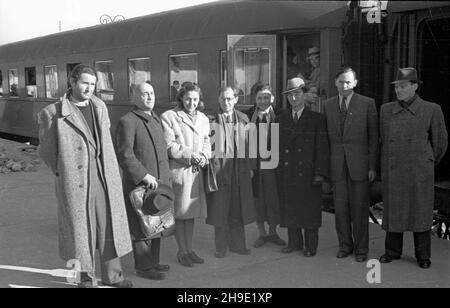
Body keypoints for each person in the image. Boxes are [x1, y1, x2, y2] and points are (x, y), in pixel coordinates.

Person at [37, 64, 133, 288]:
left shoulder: (99, 106)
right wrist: (65, 173)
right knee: (80, 233)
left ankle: (114, 276)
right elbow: (48, 152)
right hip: (76, 183)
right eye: (84, 83)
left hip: (103, 178)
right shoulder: (53, 113)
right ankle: (84, 280)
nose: (89, 88)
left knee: (108, 225)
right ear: (71, 82)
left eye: (92, 84)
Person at [379, 67, 448, 269]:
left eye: (402, 86)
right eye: (396, 87)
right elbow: (383, 140)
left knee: (420, 212)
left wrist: (425, 161)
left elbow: (441, 143)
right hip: (394, 169)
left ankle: (423, 255)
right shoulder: (386, 110)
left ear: (415, 87)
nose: (398, 90)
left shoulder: (431, 109)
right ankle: (392, 251)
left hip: (419, 172)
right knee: (394, 211)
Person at [115, 82, 172, 280]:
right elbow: (125, 155)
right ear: (134, 97)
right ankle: (144, 267)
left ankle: (153, 262)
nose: (150, 97)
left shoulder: (154, 117)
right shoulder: (128, 121)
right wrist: (143, 175)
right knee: (141, 226)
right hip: (140, 184)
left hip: (158, 184)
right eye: (145, 94)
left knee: (156, 222)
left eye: (152, 93)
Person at [323, 67, 379, 262]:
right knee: (340, 209)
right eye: (341, 82)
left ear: (355, 83)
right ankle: (345, 246)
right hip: (337, 166)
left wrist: (372, 167)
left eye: (348, 82)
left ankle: (361, 250)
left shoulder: (367, 104)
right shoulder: (328, 105)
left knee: (360, 209)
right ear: (335, 83)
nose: (344, 85)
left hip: (360, 166)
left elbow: (373, 138)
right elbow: (325, 141)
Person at [276, 77, 329, 257]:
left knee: (309, 209)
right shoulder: (281, 118)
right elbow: (277, 147)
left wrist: (319, 173)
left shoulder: (316, 118)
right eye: (290, 95)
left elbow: (322, 148)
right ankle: (294, 242)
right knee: (291, 206)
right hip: (288, 170)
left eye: (297, 94)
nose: (293, 98)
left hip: (308, 171)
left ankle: (310, 245)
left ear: (304, 94)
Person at [161, 82, 211, 267]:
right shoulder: (169, 117)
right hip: (180, 172)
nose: (192, 103)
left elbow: (207, 141)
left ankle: (190, 250)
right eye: (188, 99)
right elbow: (169, 145)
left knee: (190, 214)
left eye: (195, 99)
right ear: (181, 98)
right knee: (180, 215)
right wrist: (192, 156)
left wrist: (205, 156)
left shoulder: (204, 118)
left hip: (196, 173)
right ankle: (182, 252)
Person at [206, 86, 256, 258]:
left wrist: (250, 167)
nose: (226, 102)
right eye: (223, 99)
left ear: (235, 99)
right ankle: (221, 247)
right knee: (220, 208)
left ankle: (238, 245)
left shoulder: (243, 118)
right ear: (218, 100)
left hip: (239, 169)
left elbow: (250, 145)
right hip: (219, 170)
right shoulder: (210, 119)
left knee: (238, 207)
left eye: (229, 99)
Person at [245, 84, 286, 248]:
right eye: (260, 98)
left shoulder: (282, 115)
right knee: (258, 199)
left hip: (274, 166)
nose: (263, 101)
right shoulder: (248, 116)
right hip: (256, 167)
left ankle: (273, 232)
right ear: (255, 99)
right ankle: (262, 233)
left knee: (274, 199)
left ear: (273, 98)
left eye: (266, 97)